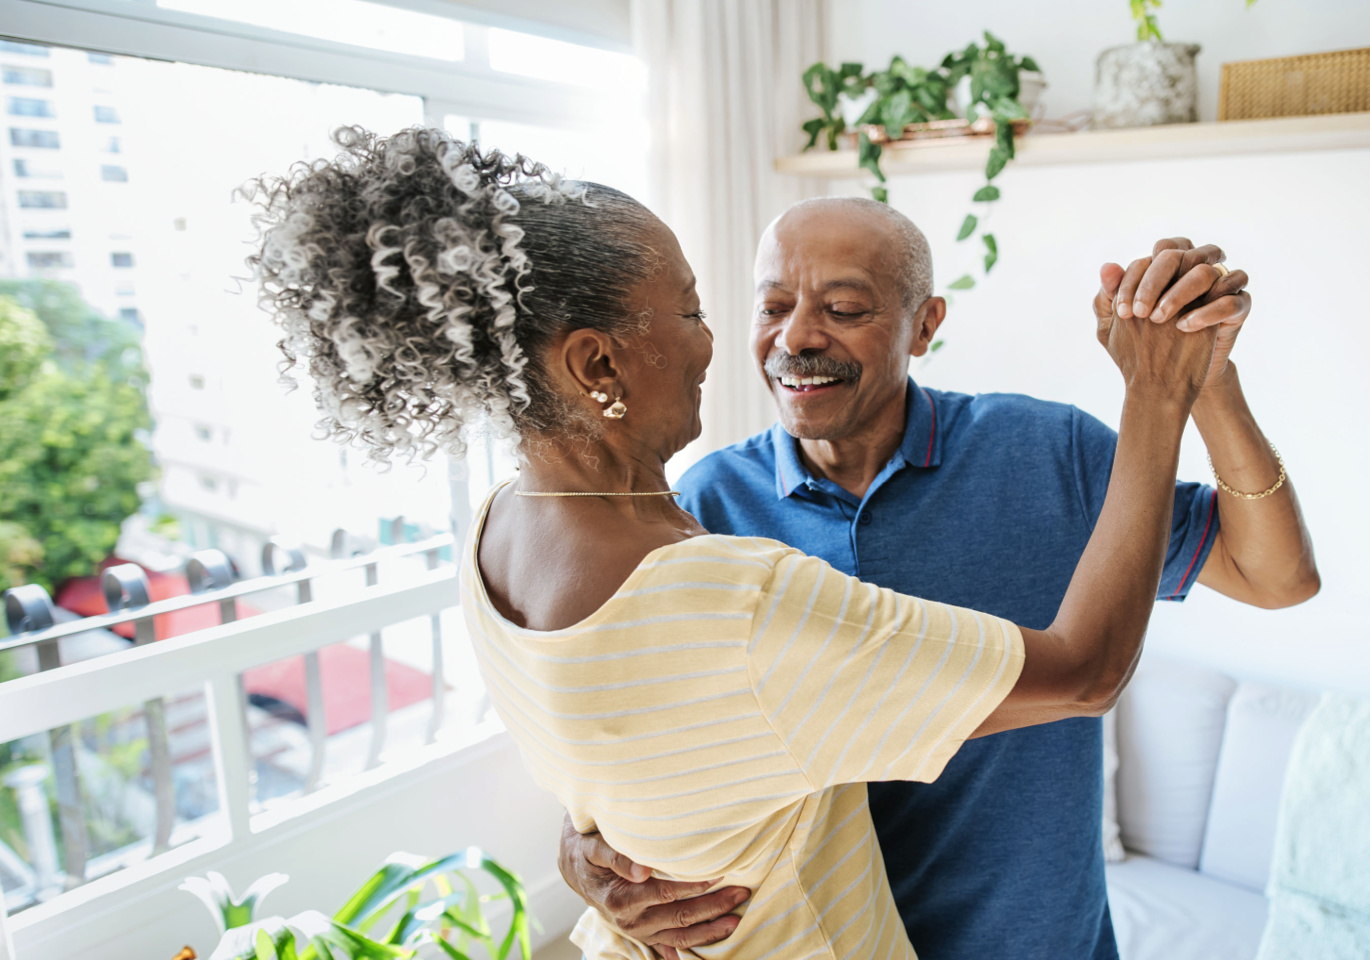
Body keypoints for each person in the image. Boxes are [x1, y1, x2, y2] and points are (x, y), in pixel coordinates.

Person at [246, 128, 1242, 960]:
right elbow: (1083, 672)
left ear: (920, 323)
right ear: (595, 363)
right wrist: (1158, 392)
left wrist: (596, 847)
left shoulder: (498, 531)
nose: (732, 342)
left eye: (842, 307)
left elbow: (623, 739)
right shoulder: (726, 585)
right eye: (694, 310)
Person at [557, 198, 1320, 960]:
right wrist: (582, 855)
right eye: (774, 306)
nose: (797, 337)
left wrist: (1206, 379)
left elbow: (1277, 575)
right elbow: (632, 734)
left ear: (925, 325)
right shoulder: (704, 507)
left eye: (845, 307)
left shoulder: (1049, 453)